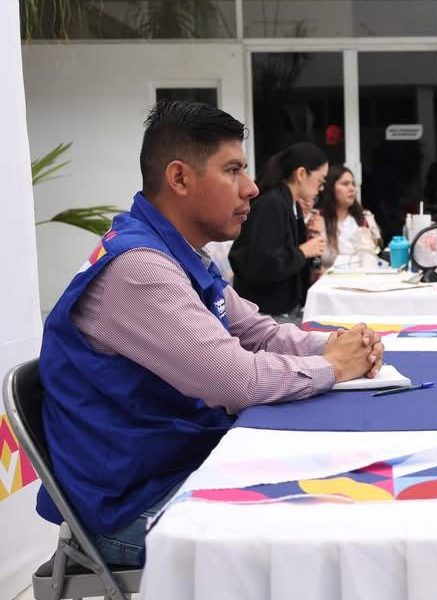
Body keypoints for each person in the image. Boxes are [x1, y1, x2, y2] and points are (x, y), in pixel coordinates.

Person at [37, 100, 384, 567]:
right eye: (234, 170)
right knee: (324, 535)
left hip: (174, 466)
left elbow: (258, 333)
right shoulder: (139, 268)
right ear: (179, 179)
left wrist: (341, 345)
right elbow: (236, 380)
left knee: (344, 486)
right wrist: (332, 366)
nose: (253, 187)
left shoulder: (179, 254)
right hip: (134, 507)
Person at [228, 142, 328, 318]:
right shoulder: (272, 204)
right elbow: (264, 262)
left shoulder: (290, 204)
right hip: (266, 313)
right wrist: (303, 251)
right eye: (320, 180)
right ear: (301, 174)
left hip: (283, 308)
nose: (321, 188)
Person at [319, 165, 383, 269]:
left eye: (353, 184)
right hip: (330, 280)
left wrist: (373, 242)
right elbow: (318, 260)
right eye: (345, 184)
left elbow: (378, 249)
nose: (352, 188)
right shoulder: (318, 220)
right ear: (331, 188)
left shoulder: (365, 218)